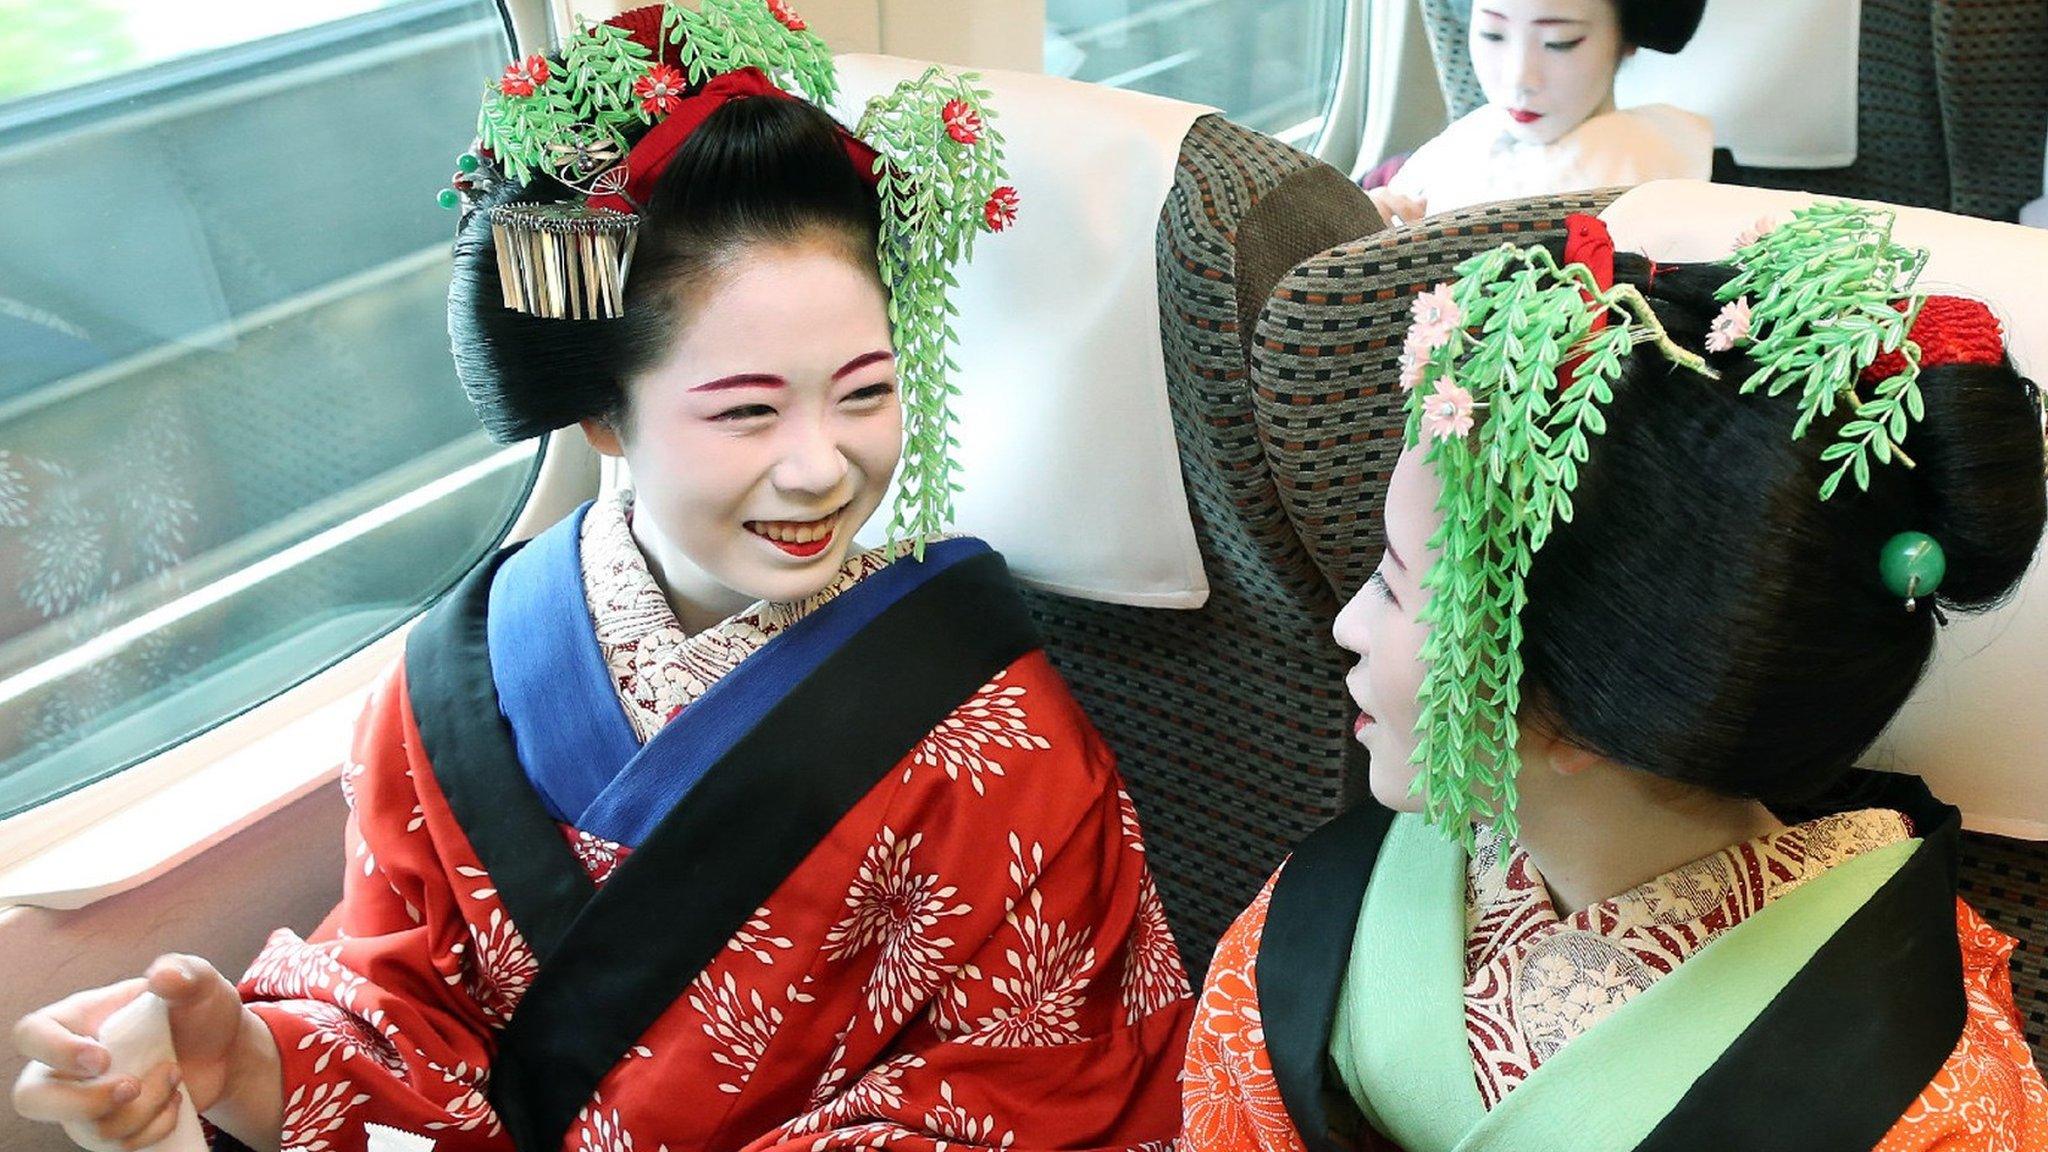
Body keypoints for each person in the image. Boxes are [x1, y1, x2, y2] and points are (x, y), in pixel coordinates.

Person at [10, 5, 1192, 1152]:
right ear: (602, 413)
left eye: (867, 392)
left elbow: (1033, 1092)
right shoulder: (451, 687)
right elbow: (408, 1008)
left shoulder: (1003, 748)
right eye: (746, 411)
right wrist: (250, 1067)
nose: (822, 464)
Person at [1181, 207, 2048, 1149]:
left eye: (1394, 588)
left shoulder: (1921, 1097)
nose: (1345, 624)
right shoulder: (1323, 929)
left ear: (1583, 717)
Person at [1368, 0, 1711, 224]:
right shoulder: (1408, 171)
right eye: (1492, 33)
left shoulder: (1678, 187)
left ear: (1627, 36)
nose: (1520, 79)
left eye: (1559, 41)